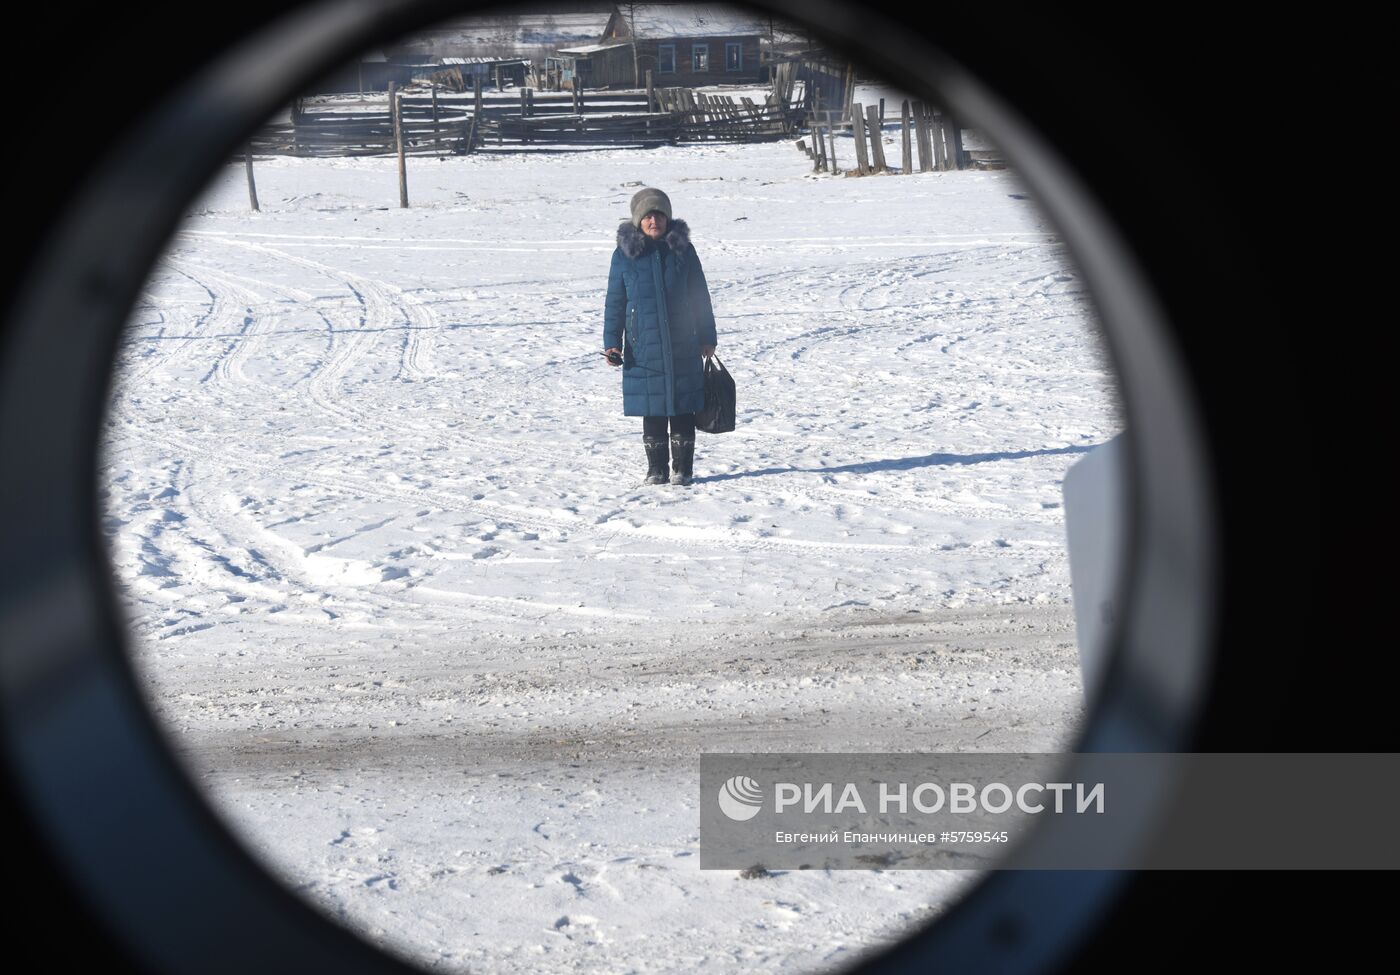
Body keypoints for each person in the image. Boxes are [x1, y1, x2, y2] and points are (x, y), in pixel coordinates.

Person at [603, 187, 717, 486]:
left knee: (682, 408)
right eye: (648, 216)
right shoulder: (624, 256)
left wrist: (707, 335)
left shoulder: (683, 251)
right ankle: (656, 470)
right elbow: (615, 301)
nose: (655, 221)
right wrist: (611, 343)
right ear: (639, 221)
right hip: (644, 347)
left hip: (683, 343)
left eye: (660, 215)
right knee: (651, 409)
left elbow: (699, 296)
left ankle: (683, 470)